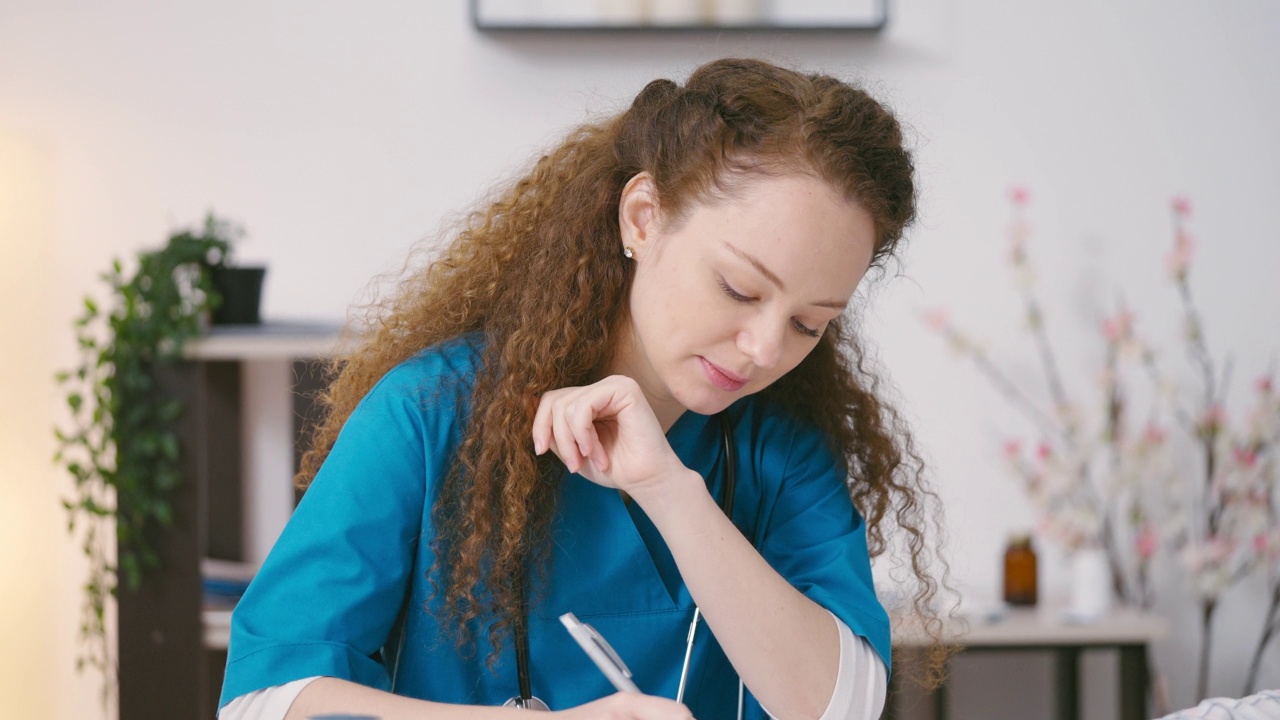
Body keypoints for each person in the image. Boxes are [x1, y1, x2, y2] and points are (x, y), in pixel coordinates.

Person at [218, 57, 943, 720]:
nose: (763, 349)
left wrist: (669, 489)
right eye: (738, 287)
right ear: (644, 218)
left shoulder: (776, 448)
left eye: (809, 325)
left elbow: (843, 706)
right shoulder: (430, 415)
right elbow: (262, 700)